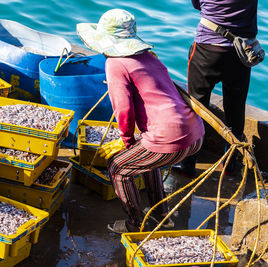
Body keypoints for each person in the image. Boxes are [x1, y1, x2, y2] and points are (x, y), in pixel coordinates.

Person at [77, 9, 205, 233]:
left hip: (170, 139)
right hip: (195, 135)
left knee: (118, 168)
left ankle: (135, 224)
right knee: (144, 158)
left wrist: (126, 140)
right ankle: (161, 215)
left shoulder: (115, 64)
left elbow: (123, 109)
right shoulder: (149, 57)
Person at [173, 0, 258, 177]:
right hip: (241, 52)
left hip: (207, 49)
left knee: (197, 106)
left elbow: (197, 5)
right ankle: (230, 163)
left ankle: (188, 163)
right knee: (235, 107)